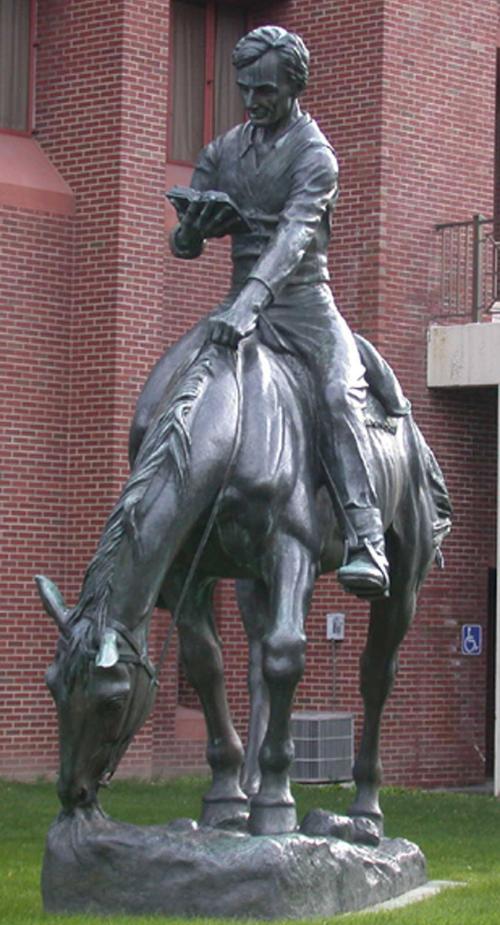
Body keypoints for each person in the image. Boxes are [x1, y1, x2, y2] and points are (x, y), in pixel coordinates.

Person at [169, 25, 389, 599]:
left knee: (340, 396)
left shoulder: (316, 156)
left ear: (294, 85)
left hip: (302, 306)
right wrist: (190, 232)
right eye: (245, 88)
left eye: (264, 89)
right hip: (240, 302)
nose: (252, 99)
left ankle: (367, 536)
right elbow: (185, 243)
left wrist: (248, 303)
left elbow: (294, 238)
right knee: (174, 385)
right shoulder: (223, 151)